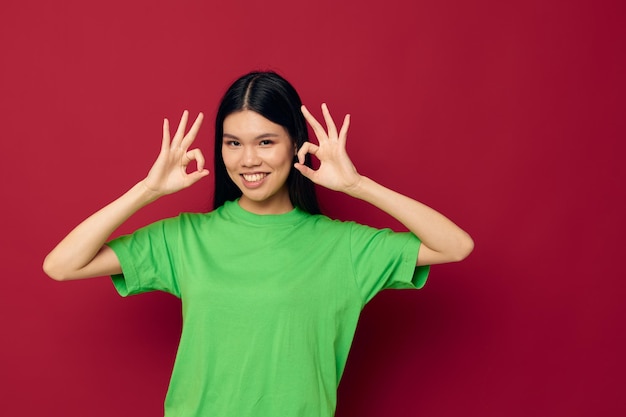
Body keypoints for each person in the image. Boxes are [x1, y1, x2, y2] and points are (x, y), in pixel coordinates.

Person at [43, 71, 474, 416]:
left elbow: (455, 246)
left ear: (294, 145)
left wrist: (359, 185)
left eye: (265, 142)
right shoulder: (187, 238)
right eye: (233, 143)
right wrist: (147, 190)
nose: (248, 160)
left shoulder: (343, 247)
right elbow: (61, 265)